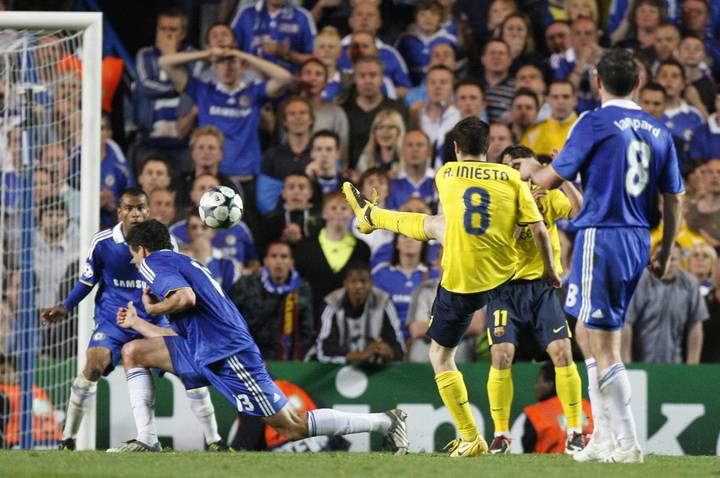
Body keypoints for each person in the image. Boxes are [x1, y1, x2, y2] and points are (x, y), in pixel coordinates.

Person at [343, 116, 558, 457]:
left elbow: (460, 213)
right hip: (505, 275)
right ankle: (373, 217)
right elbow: (540, 230)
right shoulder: (511, 178)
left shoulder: (445, 174)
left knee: (440, 355)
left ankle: (471, 437)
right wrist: (551, 271)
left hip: (463, 281)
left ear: (456, 147)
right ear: (490, 147)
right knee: (439, 224)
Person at [512, 48, 684, 463]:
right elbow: (674, 198)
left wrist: (528, 171)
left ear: (597, 82)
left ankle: (628, 443)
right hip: (637, 239)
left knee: (604, 345)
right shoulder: (658, 130)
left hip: (602, 235)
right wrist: (665, 250)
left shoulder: (593, 122)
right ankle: (603, 437)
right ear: (639, 83)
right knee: (586, 334)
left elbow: (551, 178)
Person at [116, 220, 409, 454]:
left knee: (292, 426)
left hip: (227, 353)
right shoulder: (182, 262)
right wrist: (138, 322)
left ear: (142, 250)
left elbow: (185, 298)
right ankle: (148, 439)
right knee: (134, 352)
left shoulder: (154, 263)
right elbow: (178, 331)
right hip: (202, 349)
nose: (134, 261)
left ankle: (385, 422)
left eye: (133, 255)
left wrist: (153, 308)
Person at [40, 189, 228, 452]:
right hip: (113, 320)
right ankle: (68, 438)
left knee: (189, 371)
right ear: (119, 212)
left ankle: (214, 440)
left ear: (148, 211)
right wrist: (66, 306)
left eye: (140, 208)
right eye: (129, 208)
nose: (135, 213)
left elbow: (175, 284)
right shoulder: (103, 242)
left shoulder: (166, 242)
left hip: (153, 319)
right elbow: (87, 280)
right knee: (94, 364)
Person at [485, 145, 585, 455]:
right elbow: (502, 247)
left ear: (532, 165)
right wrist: (525, 211)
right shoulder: (497, 200)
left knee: (562, 352)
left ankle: (575, 430)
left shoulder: (548, 193)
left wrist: (564, 178)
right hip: (505, 289)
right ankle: (501, 434)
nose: (513, 171)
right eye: (508, 166)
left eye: (518, 164)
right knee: (501, 354)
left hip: (542, 287)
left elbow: (582, 212)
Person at [294, 191, 371, 328]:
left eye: (344, 208)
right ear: (324, 213)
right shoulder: (305, 247)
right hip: (310, 321)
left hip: (349, 323)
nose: (339, 212)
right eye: (333, 208)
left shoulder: (362, 249)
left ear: (351, 213)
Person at [623, 245, 708, 363]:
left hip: (675, 363)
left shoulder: (690, 284)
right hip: (640, 363)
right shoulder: (640, 281)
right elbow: (626, 322)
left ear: (681, 261)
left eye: (672, 259)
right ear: (653, 260)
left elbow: (696, 324)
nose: (666, 264)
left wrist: (693, 363)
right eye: (661, 258)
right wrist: (626, 362)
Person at [231, 241, 314, 361]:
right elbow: (231, 320)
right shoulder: (246, 284)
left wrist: (296, 356)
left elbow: (306, 329)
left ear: (291, 263)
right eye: (274, 256)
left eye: (284, 257)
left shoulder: (301, 288)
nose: (278, 261)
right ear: (265, 261)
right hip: (249, 356)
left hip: (286, 358)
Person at [315, 263, 406, 363]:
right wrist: (360, 356)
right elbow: (323, 351)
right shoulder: (332, 303)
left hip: (374, 367)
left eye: (363, 281)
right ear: (345, 284)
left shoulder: (384, 301)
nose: (358, 286)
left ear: (371, 283)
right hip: (337, 367)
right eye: (353, 281)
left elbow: (399, 346)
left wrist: (389, 352)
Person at [343, 56, 408, 167]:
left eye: (373, 75)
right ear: (354, 79)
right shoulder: (344, 111)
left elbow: (405, 143)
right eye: (362, 76)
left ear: (382, 78)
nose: (367, 81)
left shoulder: (398, 108)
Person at [522, 362, 594, 454]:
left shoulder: (535, 413)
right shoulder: (586, 405)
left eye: (538, 381)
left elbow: (528, 450)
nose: (536, 386)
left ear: (550, 384)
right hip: (592, 455)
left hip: (554, 459)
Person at [230, 0, 317, 72]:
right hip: (249, 80)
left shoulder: (302, 17)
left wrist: (285, 53)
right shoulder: (246, 13)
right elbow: (231, 50)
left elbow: (313, 60)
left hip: (288, 82)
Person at [395, 0, 458, 86]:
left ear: (441, 18)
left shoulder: (450, 40)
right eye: (423, 14)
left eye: (433, 14)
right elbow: (398, 67)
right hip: (411, 87)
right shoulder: (405, 40)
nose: (428, 19)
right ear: (416, 18)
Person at [521, 81, 578, 157]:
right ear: (547, 100)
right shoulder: (532, 133)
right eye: (555, 97)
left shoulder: (587, 130)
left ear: (575, 100)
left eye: (565, 97)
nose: (560, 102)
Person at [388, 130, 436, 210]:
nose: (414, 149)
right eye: (409, 145)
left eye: (419, 145)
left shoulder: (440, 180)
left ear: (429, 151)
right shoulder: (389, 181)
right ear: (401, 151)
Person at [686, 158, 720, 246]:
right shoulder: (687, 209)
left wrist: (715, 246)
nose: (715, 176)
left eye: (719, 172)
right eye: (710, 172)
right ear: (703, 177)